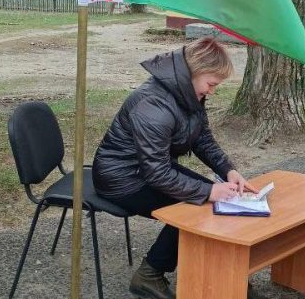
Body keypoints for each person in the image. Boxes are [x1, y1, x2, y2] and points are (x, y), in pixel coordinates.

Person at [92, 37, 259, 299]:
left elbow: (202, 138)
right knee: (198, 209)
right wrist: (208, 191)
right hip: (121, 179)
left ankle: (227, 277)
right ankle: (149, 276)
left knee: (212, 201)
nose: (212, 91)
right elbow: (156, 173)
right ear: (193, 72)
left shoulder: (188, 94)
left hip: (149, 170)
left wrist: (228, 170)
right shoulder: (153, 105)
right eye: (211, 83)